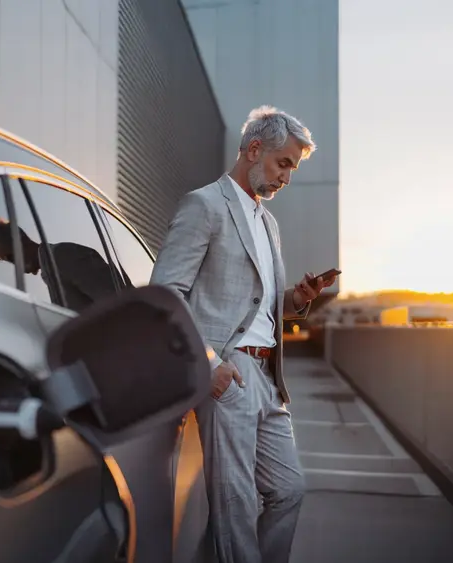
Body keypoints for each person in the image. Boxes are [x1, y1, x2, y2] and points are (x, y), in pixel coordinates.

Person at [150, 106, 336, 563]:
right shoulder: (204, 205)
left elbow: (258, 303)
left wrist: (298, 298)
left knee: (288, 490)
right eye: (283, 164)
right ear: (254, 149)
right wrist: (209, 364)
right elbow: (166, 293)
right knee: (234, 508)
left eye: (292, 167)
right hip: (229, 374)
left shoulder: (268, 223)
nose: (287, 178)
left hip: (270, 380)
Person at [0, 220, 120, 311]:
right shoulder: (51, 270)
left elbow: (119, 305)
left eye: (12, 257)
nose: (18, 267)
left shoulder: (64, 256)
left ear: (20, 238)